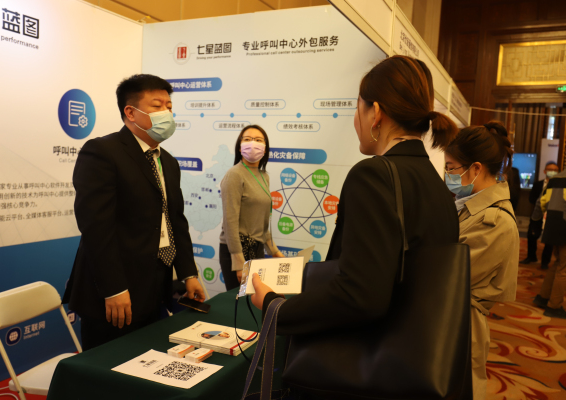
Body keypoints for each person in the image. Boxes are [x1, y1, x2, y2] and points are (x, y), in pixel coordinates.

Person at [250, 55, 460, 397]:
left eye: (356, 107)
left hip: (364, 373)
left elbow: (361, 295)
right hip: (416, 370)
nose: (354, 120)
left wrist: (277, 308)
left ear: (376, 113)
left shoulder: (374, 175)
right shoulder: (435, 183)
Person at [63, 74, 205, 350]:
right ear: (130, 112)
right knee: (110, 367)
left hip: (156, 286)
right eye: (157, 106)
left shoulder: (168, 162)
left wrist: (188, 273)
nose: (167, 113)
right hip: (114, 292)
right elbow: (96, 228)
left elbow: (175, 220)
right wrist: (114, 288)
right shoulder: (103, 152)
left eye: (169, 106)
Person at [444, 121, 519, 400]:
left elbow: (449, 278)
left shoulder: (494, 220)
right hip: (451, 317)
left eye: (451, 168)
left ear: (475, 169)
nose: (448, 175)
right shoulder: (471, 206)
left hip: (462, 323)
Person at [219, 125, 284, 291]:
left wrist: (275, 252)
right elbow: (230, 222)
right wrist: (239, 264)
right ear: (240, 146)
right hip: (237, 251)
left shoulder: (264, 176)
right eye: (247, 139)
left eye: (258, 140)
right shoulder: (234, 174)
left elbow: (261, 223)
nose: (253, 143)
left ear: (265, 148)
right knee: (240, 301)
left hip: (257, 248)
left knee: (256, 298)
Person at [535, 166, 566, 319]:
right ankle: (554, 306)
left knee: (558, 263)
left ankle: (543, 297)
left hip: (553, 224)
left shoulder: (555, 179)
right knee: (564, 269)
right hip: (565, 224)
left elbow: (542, 202)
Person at [521, 161, 560, 268]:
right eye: (550, 170)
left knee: (549, 240)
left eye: (555, 170)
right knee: (531, 235)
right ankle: (531, 257)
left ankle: (545, 262)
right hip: (537, 215)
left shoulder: (559, 185)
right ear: (545, 171)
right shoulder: (538, 184)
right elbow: (531, 198)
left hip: (551, 217)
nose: (552, 172)